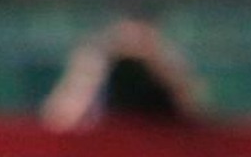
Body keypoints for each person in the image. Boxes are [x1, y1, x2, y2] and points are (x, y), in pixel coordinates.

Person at [41, 17, 202, 130]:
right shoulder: (97, 70)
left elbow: (196, 118)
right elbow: (57, 124)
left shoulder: (165, 69)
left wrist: (163, 66)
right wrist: (88, 75)